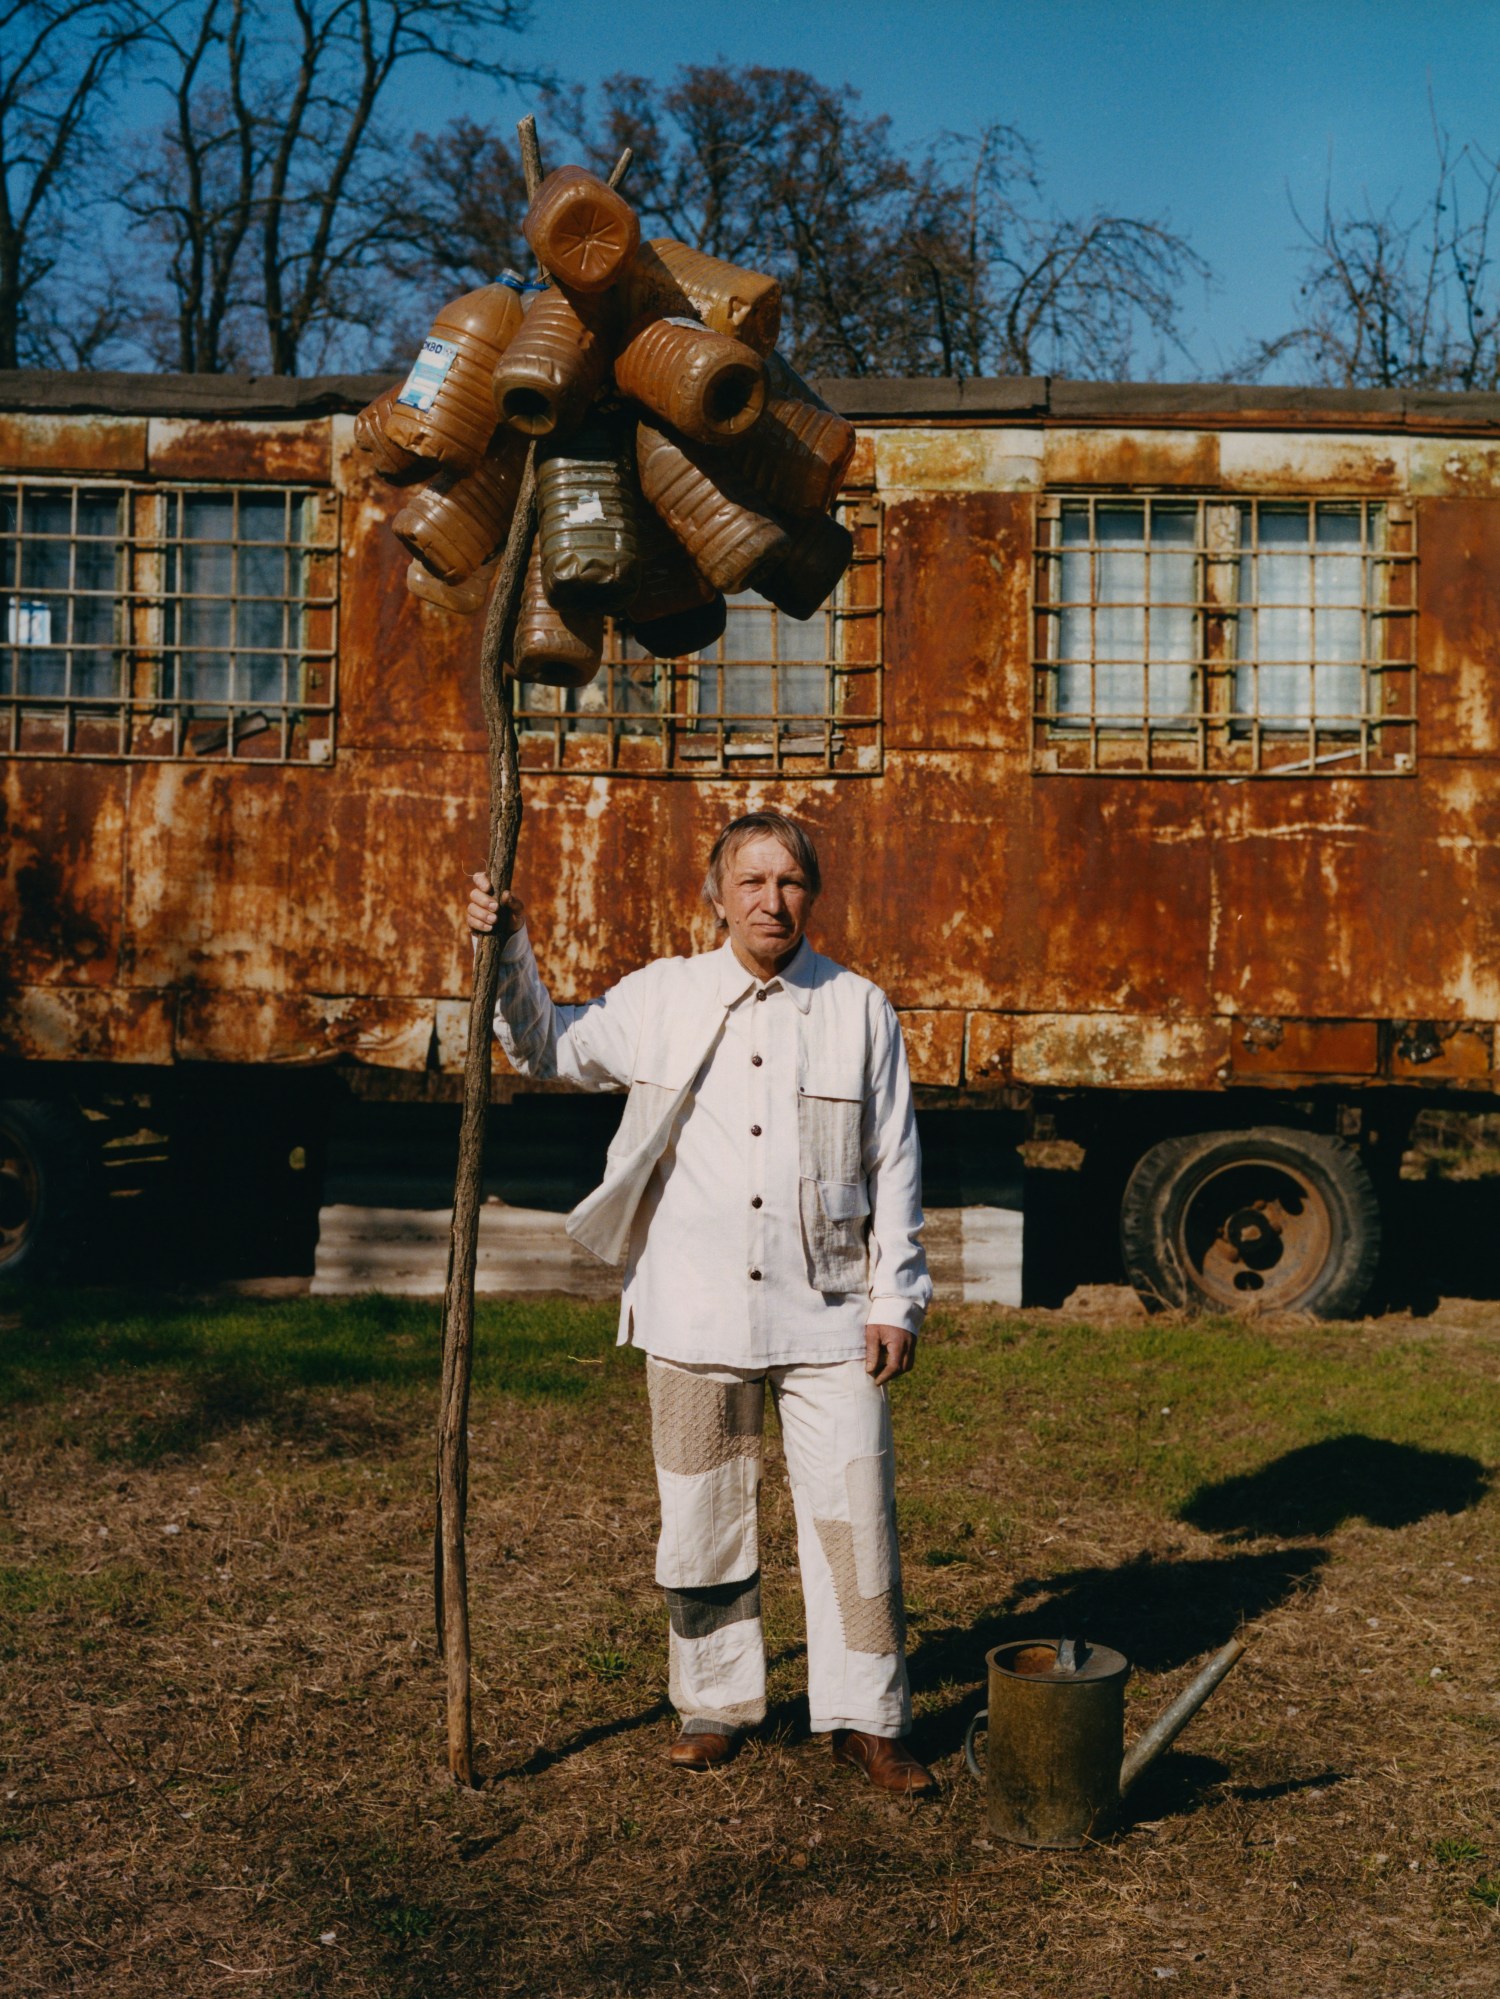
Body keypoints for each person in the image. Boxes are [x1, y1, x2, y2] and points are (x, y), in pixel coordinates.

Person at [466, 808, 936, 1794]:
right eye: (753, 881)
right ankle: (715, 1702)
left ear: (814, 894)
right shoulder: (662, 998)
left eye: (792, 881)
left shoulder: (859, 1009)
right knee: (703, 1515)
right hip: (692, 1309)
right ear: (715, 894)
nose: (773, 899)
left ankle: (867, 1714)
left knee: (855, 1514)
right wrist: (508, 948)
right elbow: (543, 1047)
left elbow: (895, 1162)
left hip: (829, 1315)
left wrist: (897, 1296)